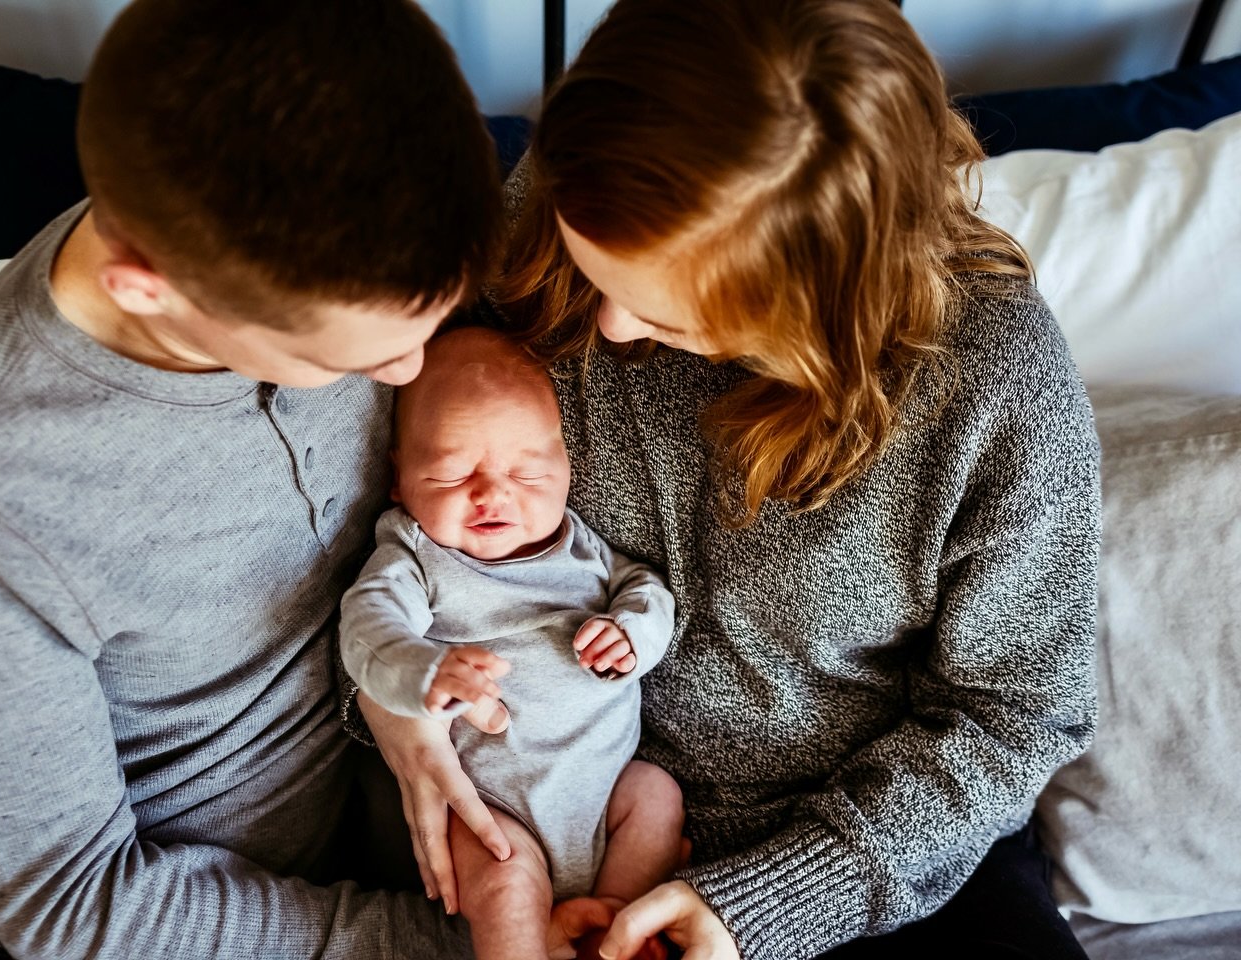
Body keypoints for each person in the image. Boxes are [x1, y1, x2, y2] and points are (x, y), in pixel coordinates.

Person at [356, 1, 1102, 958]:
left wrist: (770, 903)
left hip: (861, 844)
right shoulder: (555, 215)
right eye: (598, 279)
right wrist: (388, 701)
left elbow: (1015, 717)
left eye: (670, 318)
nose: (610, 335)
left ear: (827, 296)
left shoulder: (996, 385)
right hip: (536, 803)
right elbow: (377, 530)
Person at [0, 1, 507, 958]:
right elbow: (71, 910)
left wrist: (387, 687)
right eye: (346, 361)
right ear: (145, 289)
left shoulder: (329, 225)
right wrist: (448, 945)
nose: (411, 376)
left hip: (350, 795)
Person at [340, 327, 685, 960]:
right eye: (449, 474)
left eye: (527, 473)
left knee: (658, 796)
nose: (492, 493)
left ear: (566, 469)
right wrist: (424, 669)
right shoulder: (415, 556)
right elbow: (366, 625)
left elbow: (652, 593)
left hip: (607, 790)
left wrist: (632, 633)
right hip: (495, 807)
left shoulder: (584, 547)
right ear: (399, 478)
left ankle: (612, 933)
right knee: (502, 883)